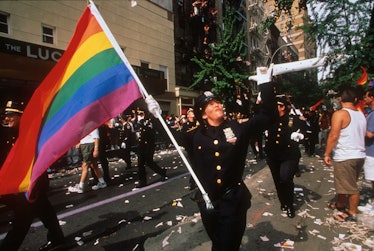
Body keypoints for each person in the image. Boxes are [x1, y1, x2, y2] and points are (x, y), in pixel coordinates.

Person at [147, 76, 277, 250]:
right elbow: (169, 136)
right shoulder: (194, 134)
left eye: (217, 102)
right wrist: (156, 116)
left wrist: (266, 85)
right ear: (203, 113)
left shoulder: (238, 128)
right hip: (207, 202)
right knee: (218, 241)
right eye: (210, 104)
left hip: (233, 200)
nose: (216, 105)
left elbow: (269, 117)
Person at [0, 100, 65, 251]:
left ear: (20, 116)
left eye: (11, 115)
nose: (7, 118)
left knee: (22, 220)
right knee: (44, 210)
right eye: (5, 115)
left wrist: (34, 184)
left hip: (32, 182)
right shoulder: (9, 134)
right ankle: (57, 237)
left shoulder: (31, 133)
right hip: (22, 182)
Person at [324, 86, 366, 221]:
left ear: (340, 99)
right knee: (344, 183)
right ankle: (340, 204)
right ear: (355, 100)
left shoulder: (340, 114)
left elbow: (334, 135)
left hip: (346, 155)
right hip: (359, 155)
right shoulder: (360, 114)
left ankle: (352, 212)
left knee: (350, 186)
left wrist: (327, 153)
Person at [264, 96, 306, 218]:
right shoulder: (270, 119)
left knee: (285, 178)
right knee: (278, 181)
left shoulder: (292, 119)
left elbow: (305, 126)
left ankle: (290, 204)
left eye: (275, 106)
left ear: (282, 107)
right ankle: (284, 202)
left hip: (289, 155)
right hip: (273, 155)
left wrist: (299, 134)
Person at [68, 128, 107, 193]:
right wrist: (80, 142)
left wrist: (96, 149)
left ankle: (81, 186)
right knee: (94, 165)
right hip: (86, 145)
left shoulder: (92, 125)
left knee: (85, 165)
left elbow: (96, 138)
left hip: (88, 146)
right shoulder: (85, 125)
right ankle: (102, 182)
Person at [135, 112, 168, 188]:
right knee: (140, 164)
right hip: (141, 145)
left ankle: (162, 172)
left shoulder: (150, 122)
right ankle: (142, 181)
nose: (140, 115)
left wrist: (143, 123)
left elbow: (150, 132)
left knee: (149, 162)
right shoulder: (141, 121)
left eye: (141, 113)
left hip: (148, 146)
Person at [364, 88, 374, 197]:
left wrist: (359, 129)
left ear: (372, 98)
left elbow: (370, 134)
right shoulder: (370, 113)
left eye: (366, 97)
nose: (365, 99)